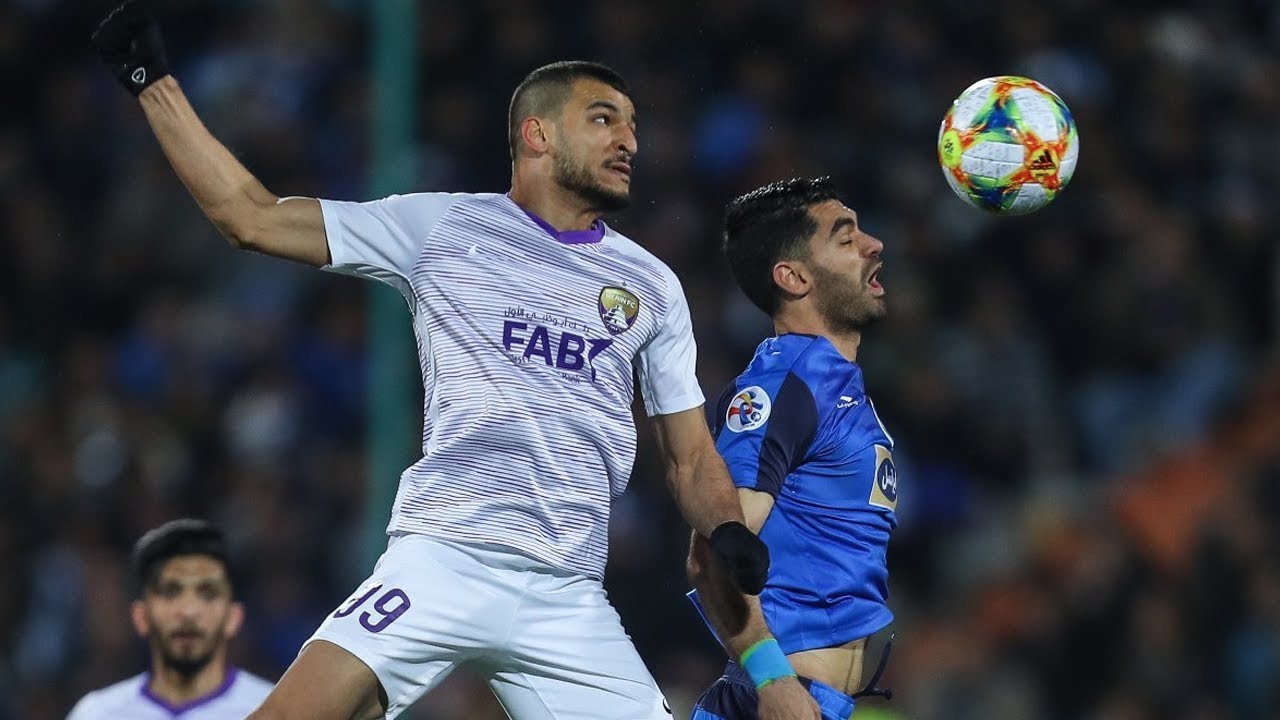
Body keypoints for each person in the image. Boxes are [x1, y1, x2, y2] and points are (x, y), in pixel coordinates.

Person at [91, 3, 776, 719]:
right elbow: (251, 217)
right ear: (537, 134)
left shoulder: (652, 285)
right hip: (445, 557)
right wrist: (153, 83)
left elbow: (691, 460)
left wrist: (726, 527)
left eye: (634, 124)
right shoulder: (442, 227)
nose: (630, 139)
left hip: (569, 594)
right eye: (605, 119)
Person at [686, 177, 898, 720]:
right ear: (794, 277)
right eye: (846, 239)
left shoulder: (829, 383)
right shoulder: (785, 386)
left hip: (815, 699)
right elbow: (712, 551)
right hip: (782, 699)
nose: (874, 245)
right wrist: (771, 678)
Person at [67, 519, 274, 719]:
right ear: (141, 617)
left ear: (233, 618)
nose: (188, 611)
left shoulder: (274, 710)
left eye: (208, 593)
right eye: (170, 592)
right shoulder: (96, 714)